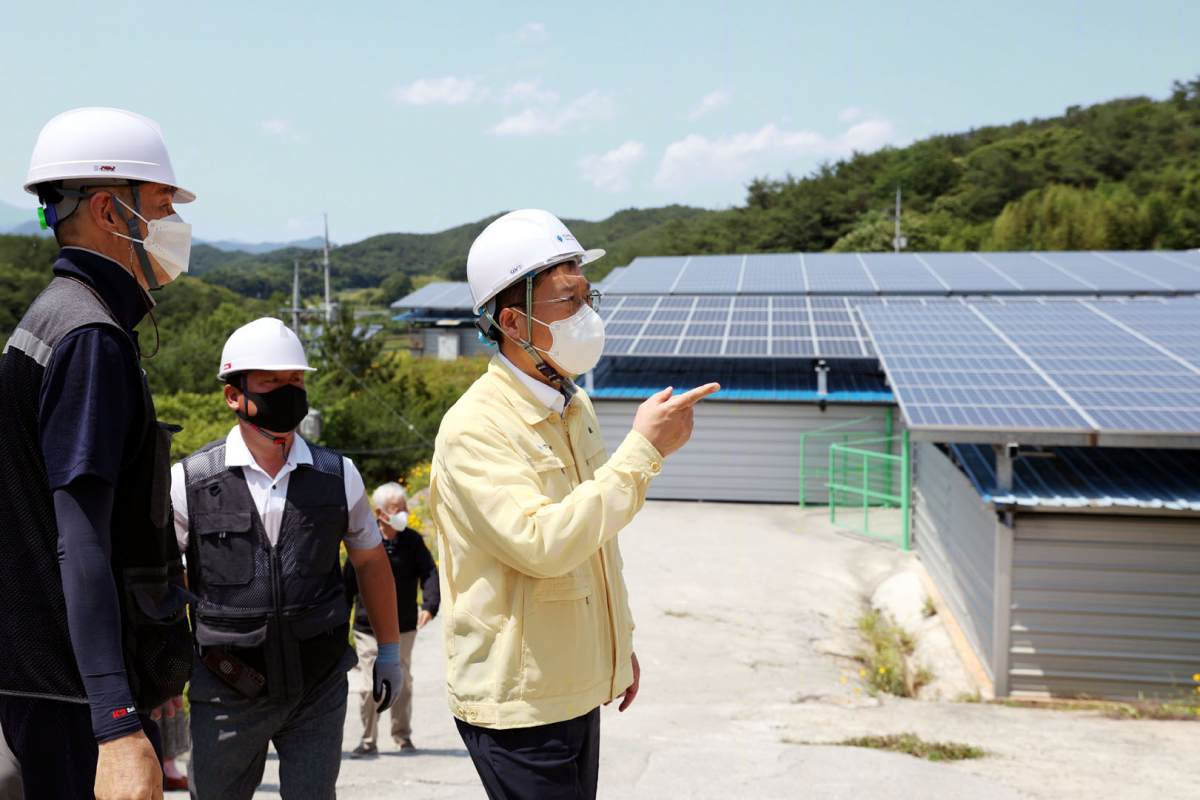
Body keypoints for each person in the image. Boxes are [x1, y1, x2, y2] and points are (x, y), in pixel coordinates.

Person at [430, 209, 719, 799]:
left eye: (590, 298)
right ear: (513, 321)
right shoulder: (476, 426)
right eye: (569, 301)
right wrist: (643, 451)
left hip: (571, 684)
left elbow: (597, 544)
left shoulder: (572, 403)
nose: (587, 315)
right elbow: (546, 544)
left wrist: (617, 649)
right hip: (522, 702)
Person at [0, 107, 196, 800]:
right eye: (165, 205)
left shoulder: (54, 315)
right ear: (114, 211)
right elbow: (80, 544)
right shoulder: (90, 338)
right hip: (70, 703)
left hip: (46, 684)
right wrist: (115, 724)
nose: (177, 226)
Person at [169, 317, 402, 800]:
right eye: (271, 382)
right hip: (227, 687)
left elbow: (372, 564)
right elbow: (165, 587)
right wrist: (164, 675)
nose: (288, 391)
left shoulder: (339, 475)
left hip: (317, 686)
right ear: (234, 395)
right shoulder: (189, 481)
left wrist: (390, 652)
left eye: (295, 380)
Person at [345, 482, 440, 757]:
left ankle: (402, 736)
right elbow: (346, 585)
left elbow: (430, 573)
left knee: (402, 681)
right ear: (381, 512)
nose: (406, 514)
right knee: (367, 686)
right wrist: (339, 627)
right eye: (399, 509)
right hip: (366, 628)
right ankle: (367, 740)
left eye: (407, 508)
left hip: (404, 626)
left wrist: (430, 605)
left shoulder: (412, 541)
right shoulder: (362, 540)